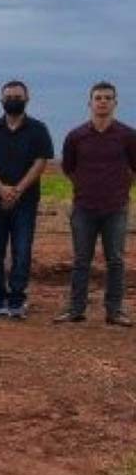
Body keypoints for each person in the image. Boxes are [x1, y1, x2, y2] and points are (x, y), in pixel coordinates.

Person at [55, 81, 136, 327]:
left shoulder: (128, 136)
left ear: (115, 103)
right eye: (98, 97)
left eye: (108, 98)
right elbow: (68, 168)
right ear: (90, 103)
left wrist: (121, 189)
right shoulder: (76, 136)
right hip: (84, 209)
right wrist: (84, 186)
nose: (103, 102)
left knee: (116, 260)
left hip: (116, 209)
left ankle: (115, 311)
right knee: (81, 260)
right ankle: (76, 309)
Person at [0, 80, 53, 319]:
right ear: (1, 101)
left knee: (22, 251)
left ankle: (17, 300)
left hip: (26, 202)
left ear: (27, 99)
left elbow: (41, 161)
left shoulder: (38, 129)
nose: (13, 100)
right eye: (9, 96)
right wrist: (1, 189)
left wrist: (17, 190)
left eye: (18, 96)